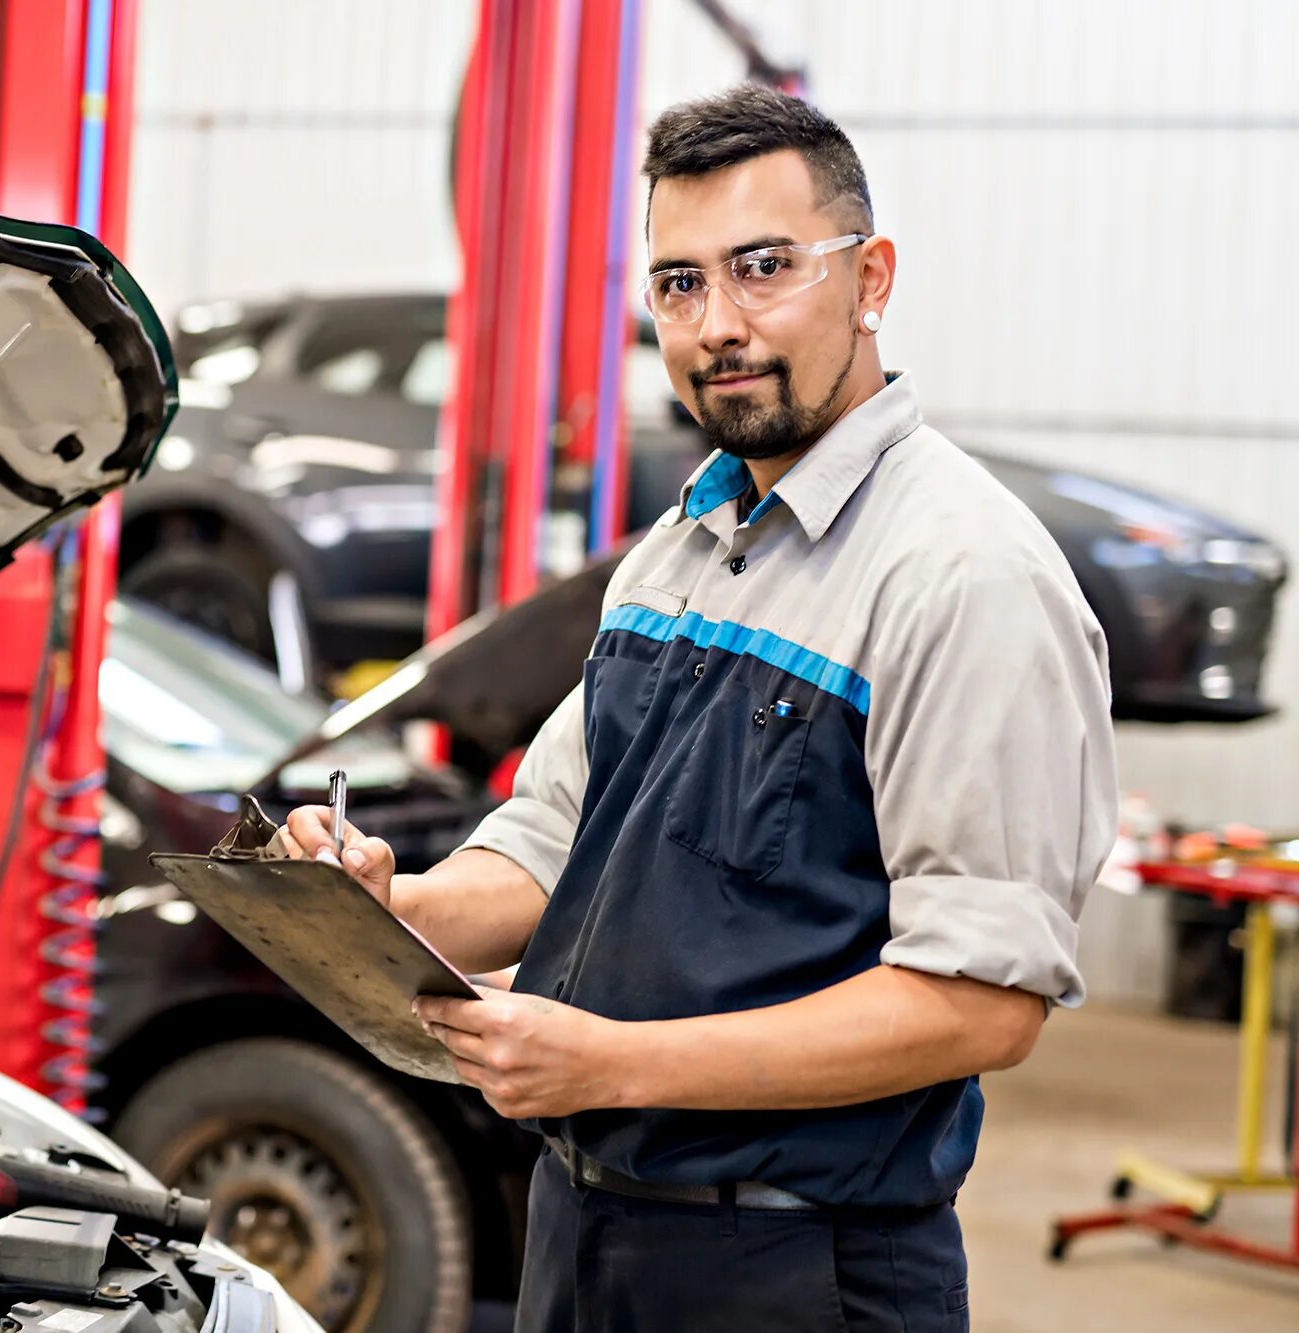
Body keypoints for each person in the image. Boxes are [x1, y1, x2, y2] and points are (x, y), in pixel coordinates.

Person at [279, 84, 1115, 1331]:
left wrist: (607, 1061)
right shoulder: (677, 552)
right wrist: (388, 901)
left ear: (869, 277)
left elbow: (979, 1004)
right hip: (583, 1227)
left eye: (762, 268)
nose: (716, 324)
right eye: (678, 284)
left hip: (792, 1269)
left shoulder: (959, 575)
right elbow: (554, 840)